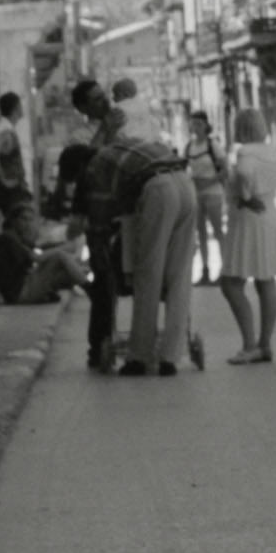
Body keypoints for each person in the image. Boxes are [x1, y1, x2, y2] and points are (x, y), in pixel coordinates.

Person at [85, 103, 198, 376]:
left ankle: (139, 356)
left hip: (160, 188)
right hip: (185, 184)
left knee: (148, 272)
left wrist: (100, 237)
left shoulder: (99, 161)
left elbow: (105, 209)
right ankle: (171, 356)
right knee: (179, 274)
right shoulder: (136, 146)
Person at [219, 108, 276, 364]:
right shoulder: (272, 152)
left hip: (248, 218)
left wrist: (246, 196)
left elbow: (245, 173)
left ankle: (249, 344)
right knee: (265, 279)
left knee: (231, 283)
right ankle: (265, 344)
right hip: (269, 214)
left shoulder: (245, 152)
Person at [67, 80, 122, 371]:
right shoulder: (79, 136)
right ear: (83, 108)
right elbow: (89, 161)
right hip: (100, 218)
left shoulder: (123, 122)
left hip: (126, 211)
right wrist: (106, 131)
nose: (105, 103)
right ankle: (98, 345)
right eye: (97, 100)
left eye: (105, 96)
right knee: (104, 282)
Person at [0, 202, 91, 305]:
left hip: (24, 287)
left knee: (66, 270)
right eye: (23, 219)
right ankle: (91, 288)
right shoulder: (8, 239)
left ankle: (81, 283)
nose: (27, 224)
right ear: (13, 221)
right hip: (20, 293)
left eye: (30, 220)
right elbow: (36, 258)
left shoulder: (18, 237)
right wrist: (63, 248)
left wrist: (61, 247)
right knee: (59, 256)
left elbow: (39, 247)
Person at [184, 110, 228, 285]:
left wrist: (209, 181)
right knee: (200, 232)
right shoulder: (189, 147)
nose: (196, 127)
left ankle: (225, 270)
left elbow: (225, 170)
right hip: (196, 193)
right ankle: (205, 270)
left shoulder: (213, 145)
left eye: (199, 124)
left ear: (206, 126)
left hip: (213, 192)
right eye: (193, 124)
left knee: (217, 231)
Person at [0, 90, 30, 217]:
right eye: (20, 105)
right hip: (11, 190)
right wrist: (4, 179)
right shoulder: (5, 131)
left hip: (9, 188)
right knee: (19, 219)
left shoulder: (2, 128)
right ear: (16, 108)